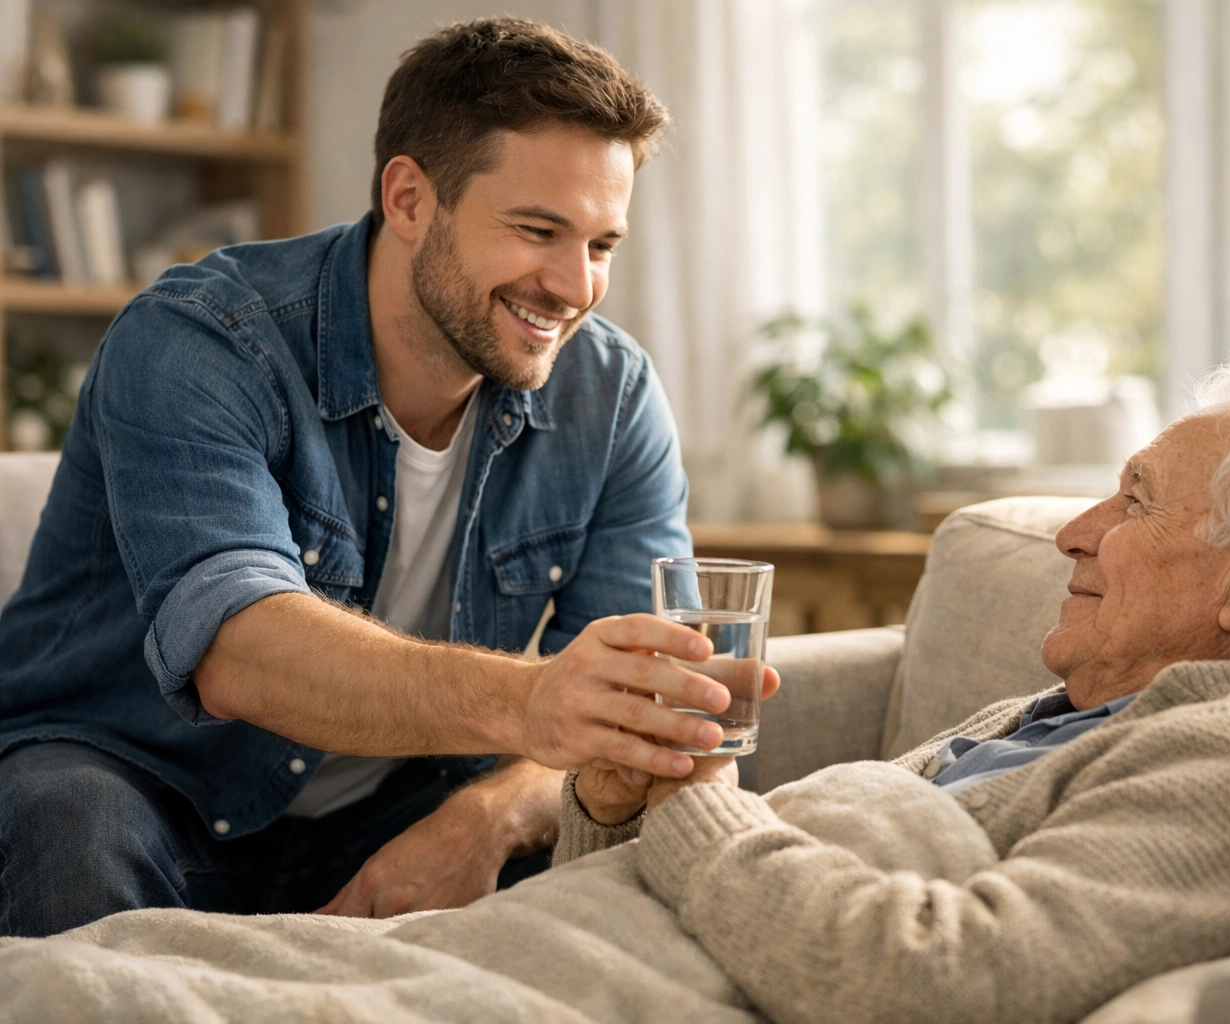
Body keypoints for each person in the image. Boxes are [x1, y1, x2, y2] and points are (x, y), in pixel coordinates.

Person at [0, 18, 775, 938]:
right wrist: (531, 703)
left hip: (393, 812)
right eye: (538, 230)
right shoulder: (198, 340)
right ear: (409, 198)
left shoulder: (611, 398)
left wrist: (488, 816)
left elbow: (612, 712)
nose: (576, 286)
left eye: (603, 244)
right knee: (68, 823)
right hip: (137, 778)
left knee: (614, 877)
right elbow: (237, 653)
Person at [557, 363, 1230, 1024]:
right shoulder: (1049, 717)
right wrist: (609, 806)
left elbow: (942, 984)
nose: (1073, 532)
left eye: (1133, 503)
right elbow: (625, 915)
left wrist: (695, 803)